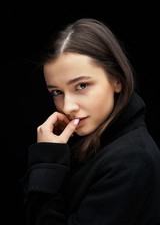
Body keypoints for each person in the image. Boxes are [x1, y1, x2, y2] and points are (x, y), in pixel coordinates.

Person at [22, 18, 160, 225]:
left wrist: (46, 164)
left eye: (81, 85)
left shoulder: (132, 160)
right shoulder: (79, 141)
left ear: (117, 81)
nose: (67, 107)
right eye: (57, 92)